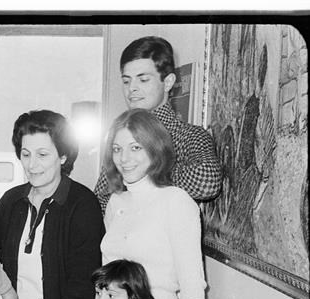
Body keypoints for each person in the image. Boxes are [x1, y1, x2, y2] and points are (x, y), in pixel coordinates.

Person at [100, 108, 206, 299]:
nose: (124, 158)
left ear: (155, 149)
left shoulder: (176, 201)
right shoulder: (116, 202)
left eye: (135, 148)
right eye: (117, 149)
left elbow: (192, 283)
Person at [0, 110, 104, 299]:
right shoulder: (12, 200)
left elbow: (84, 281)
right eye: (26, 154)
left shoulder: (82, 204)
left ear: (63, 156)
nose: (32, 164)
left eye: (42, 155)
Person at [93, 36, 222, 212]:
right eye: (126, 81)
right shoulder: (120, 134)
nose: (132, 88)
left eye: (143, 79)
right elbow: (100, 201)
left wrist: (145, 171)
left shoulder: (189, 135)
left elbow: (208, 182)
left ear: (168, 82)